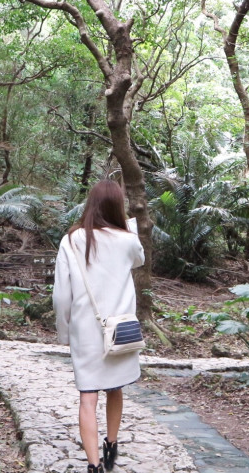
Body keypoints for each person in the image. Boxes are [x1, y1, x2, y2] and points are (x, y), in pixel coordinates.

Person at [52, 180, 146, 473]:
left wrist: (64, 332)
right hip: (120, 331)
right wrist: (128, 226)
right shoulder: (128, 241)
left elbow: (61, 295)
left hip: (85, 331)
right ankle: (111, 446)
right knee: (115, 388)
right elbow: (139, 260)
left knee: (88, 396)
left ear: (90, 204)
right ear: (118, 206)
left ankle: (93, 465)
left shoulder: (71, 240)